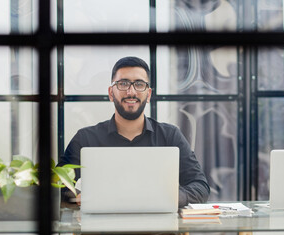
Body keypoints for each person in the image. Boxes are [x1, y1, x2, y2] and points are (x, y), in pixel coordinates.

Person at [58, 56, 210, 209]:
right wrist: (75, 196)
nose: (131, 92)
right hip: (101, 231)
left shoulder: (170, 136)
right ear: (111, 93)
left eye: (139, 84)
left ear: (148, 94)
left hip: (158, 231)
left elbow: (200, 186)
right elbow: (58, 185)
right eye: (123, 84)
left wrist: (173, 196)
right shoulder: (85, 139)